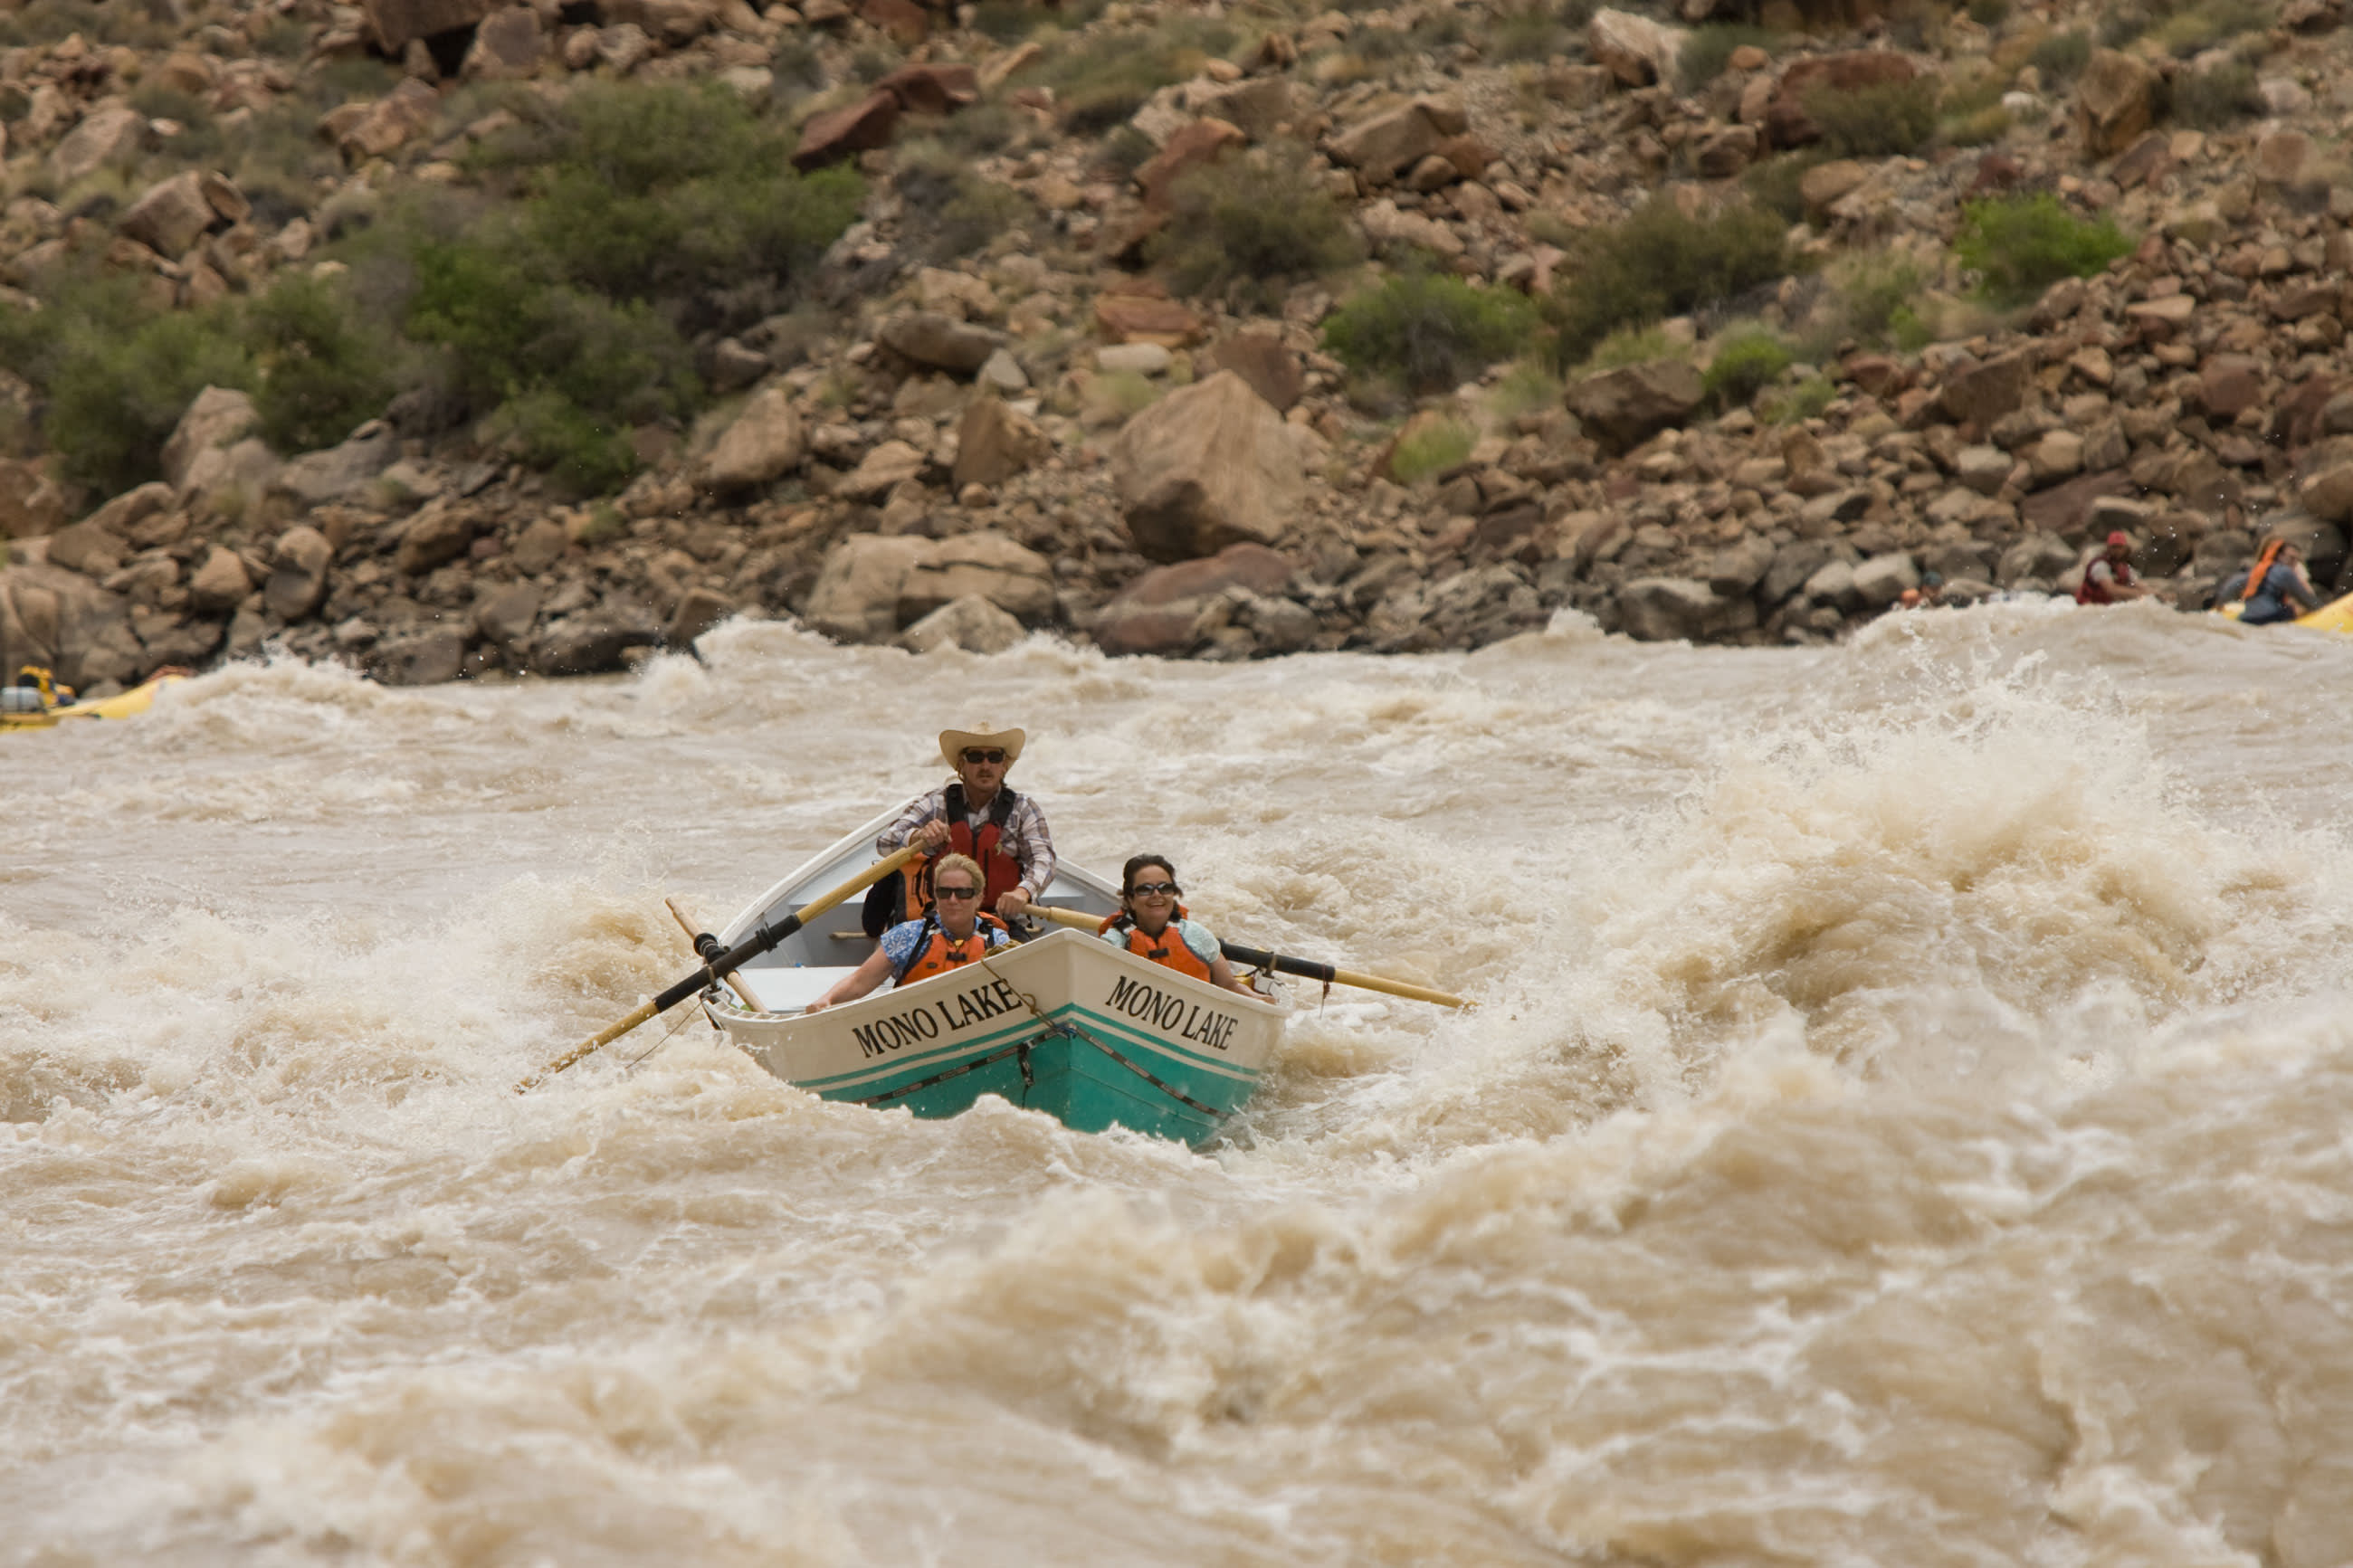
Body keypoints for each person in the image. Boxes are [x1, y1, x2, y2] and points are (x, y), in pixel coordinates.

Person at [874, 721, 1055, 926]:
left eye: (994, 757)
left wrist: (1023, 892)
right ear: (961, 765)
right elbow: (885, 843)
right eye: (976, 757)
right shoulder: (936, 803)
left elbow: (1044, 859)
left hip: (1003, 922)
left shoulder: (1023, 809)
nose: (985, 766)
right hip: (939, 923)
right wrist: (918, 836)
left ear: (1004, 766)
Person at [807, 854, 1013, 1012]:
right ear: (935, 896)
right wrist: (828, 999)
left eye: (962, 893)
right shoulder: (907, 936)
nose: (952, 900)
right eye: (944, 892)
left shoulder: (998, 942)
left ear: (978, 898)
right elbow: (859, 981)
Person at [1098, 854, 1253, 997]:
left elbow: (1230, 985)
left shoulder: (1195, 935)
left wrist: (1259, 1000)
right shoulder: (1114, 943)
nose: (1157, 895)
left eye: (1165, 888)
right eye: (1145, 890)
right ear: (1130, 899)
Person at [2215, 537, 2322, 625]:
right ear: (2279, 556)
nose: (2294, 563)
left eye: (2296, 560)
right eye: (2291, 558)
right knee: (2300, 609)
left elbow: (2232, 585)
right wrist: (2324, 610)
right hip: (2269, 618)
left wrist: (2219, 606)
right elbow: (2305, 599)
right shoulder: (2285, 572)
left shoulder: (2258, 570)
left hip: (2246, 618)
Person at [2076, 531, 2152, 604]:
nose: (2117, 551)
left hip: (2108, 607)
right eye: (2114, 547)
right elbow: (2111, 590)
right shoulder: (2100, 565)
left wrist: (2154, 592)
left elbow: (2138, 584)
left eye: (2120, 547)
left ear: (2125, 548)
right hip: (2091, 605)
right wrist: (2139, 593)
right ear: (2108, 548)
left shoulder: (2124, 567)